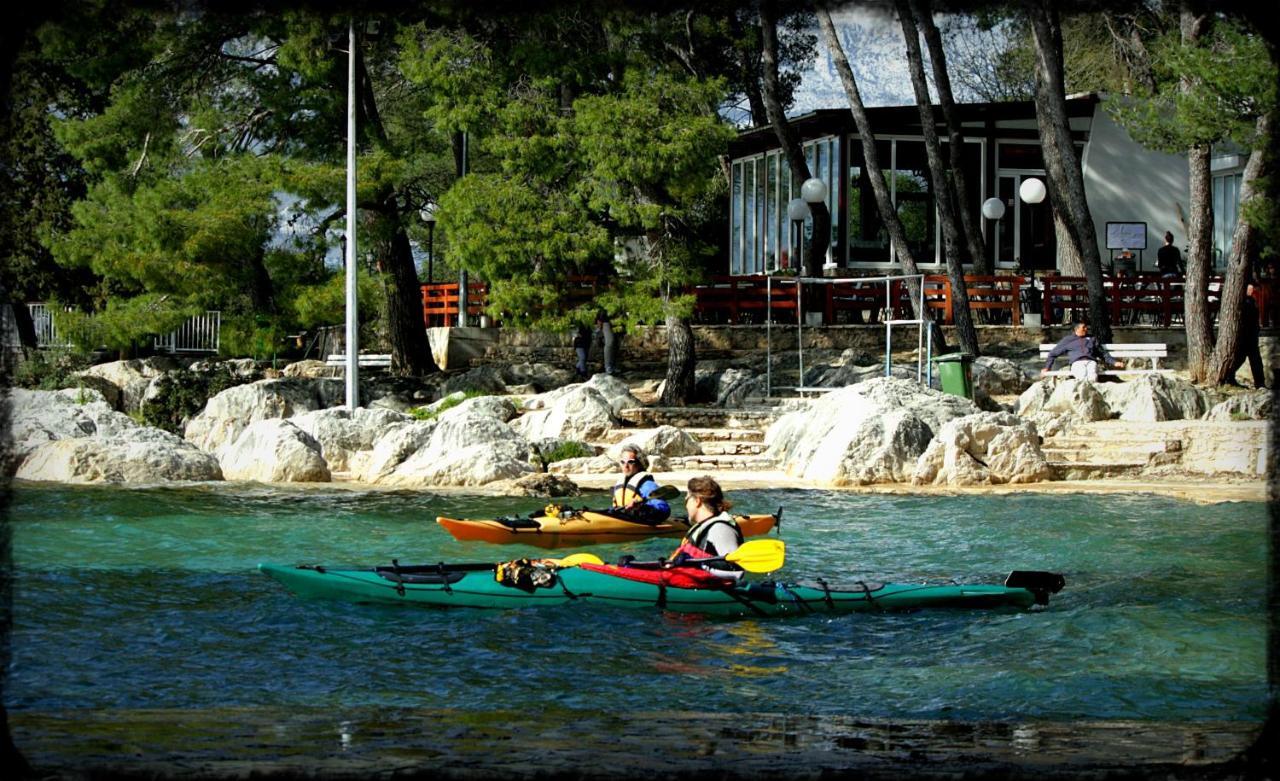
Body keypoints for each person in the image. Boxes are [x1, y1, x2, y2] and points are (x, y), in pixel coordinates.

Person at [669, 476, 743, 581]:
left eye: (686, 500)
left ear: (697, 501)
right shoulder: (701, 526)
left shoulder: (720, 528)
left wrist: (698, 563)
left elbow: (735, 570)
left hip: (713, 591)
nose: (685, 505)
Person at [1042, 320, 1124, 382]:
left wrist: (1114, 362)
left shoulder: (1092, 339)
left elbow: (1102, 353)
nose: (1086, 329)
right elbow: (1053, 354)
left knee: (1092, 377)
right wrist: (1047, 368)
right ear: (1076, 329)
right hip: (1077, 362)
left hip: (1091, 361)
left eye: (1086, 327)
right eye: (1083, 327)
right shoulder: (1068, 340)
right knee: (1082, 376)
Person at [611, 445, 670, 523]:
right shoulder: (620, 483)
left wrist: (641, 507)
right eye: (622, 462)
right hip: (621, 519)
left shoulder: (647, 485)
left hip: (639, 522)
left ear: (639, 464)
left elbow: (664, 509)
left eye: (631, 462)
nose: (626, 466)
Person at [1229, 283, 1266, 389]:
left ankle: (1260, 383)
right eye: (1250, 288)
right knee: (1242, 358)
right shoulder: (1242, 301)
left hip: (1252, 334)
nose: (1252, 290)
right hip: (1244, 335)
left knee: (1255, 360)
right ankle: (1229, 377)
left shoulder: (1252, 301)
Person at [595, 310, 616, 375]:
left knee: (614, 345)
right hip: (606, 322)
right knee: (609, 344)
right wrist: (600, 325)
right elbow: (600, 316)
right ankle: (608, 367)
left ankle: (612, 366)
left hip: (614, 322)